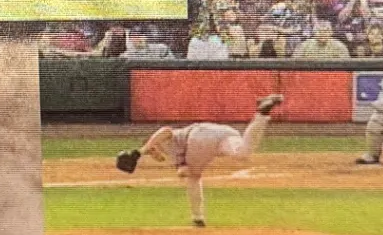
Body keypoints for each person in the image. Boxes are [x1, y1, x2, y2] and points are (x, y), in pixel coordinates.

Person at [114, 94, 285, 227]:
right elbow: (183, 169)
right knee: (243, 153)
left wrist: (140, 152)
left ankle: (197, 217)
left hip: (197, 137)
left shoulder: (166, 143)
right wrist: (180, 171)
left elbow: (165, 131)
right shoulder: (172, 155)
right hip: (221, 133)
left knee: (194, 177)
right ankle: (262, 115)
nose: (155, 155)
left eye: (153, 151)